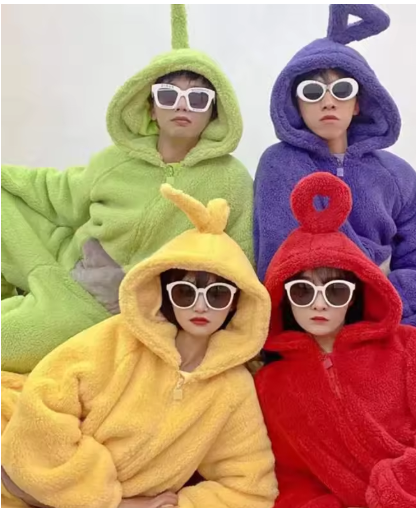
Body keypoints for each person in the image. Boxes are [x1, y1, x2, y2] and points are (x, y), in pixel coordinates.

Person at [2, 5, 254, 374]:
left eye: (198, 99)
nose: (182, 106)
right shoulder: (116, 160)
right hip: (67, 260)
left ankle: (31, 309)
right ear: (151, 107)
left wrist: (236, 338)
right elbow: (57, 194)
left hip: (102, 304)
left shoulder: (231, 178)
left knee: (8, 342)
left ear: (215, 112)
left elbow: (238, 259)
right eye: (168, 95)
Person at [1, 183, 277, 508]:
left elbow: (250, 489)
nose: (200, 306)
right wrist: (109, 501)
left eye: (217, 295)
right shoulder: (121, 338)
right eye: (186, 292)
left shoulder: (233, 389)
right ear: (165, 290)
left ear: (236, 302)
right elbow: (43, 403)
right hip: (15, 472)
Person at [253, 4, 416, 342]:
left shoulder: (395, 173)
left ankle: (373, 325)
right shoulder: (279, 164)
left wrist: (389, 299)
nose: (328, 102)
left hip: (387, 295)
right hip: (316, 299)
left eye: (342, 90)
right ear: (296, 103)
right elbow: (276, 254)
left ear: (358, 102)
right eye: (312, 92)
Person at [255, 171, 416, 508]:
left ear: (353, 296)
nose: (319, 303)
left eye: (335, 290)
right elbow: (291, 480)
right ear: (283, 298)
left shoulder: (404, 345)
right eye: (302, 291)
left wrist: (401, 493)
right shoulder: (271, 387)